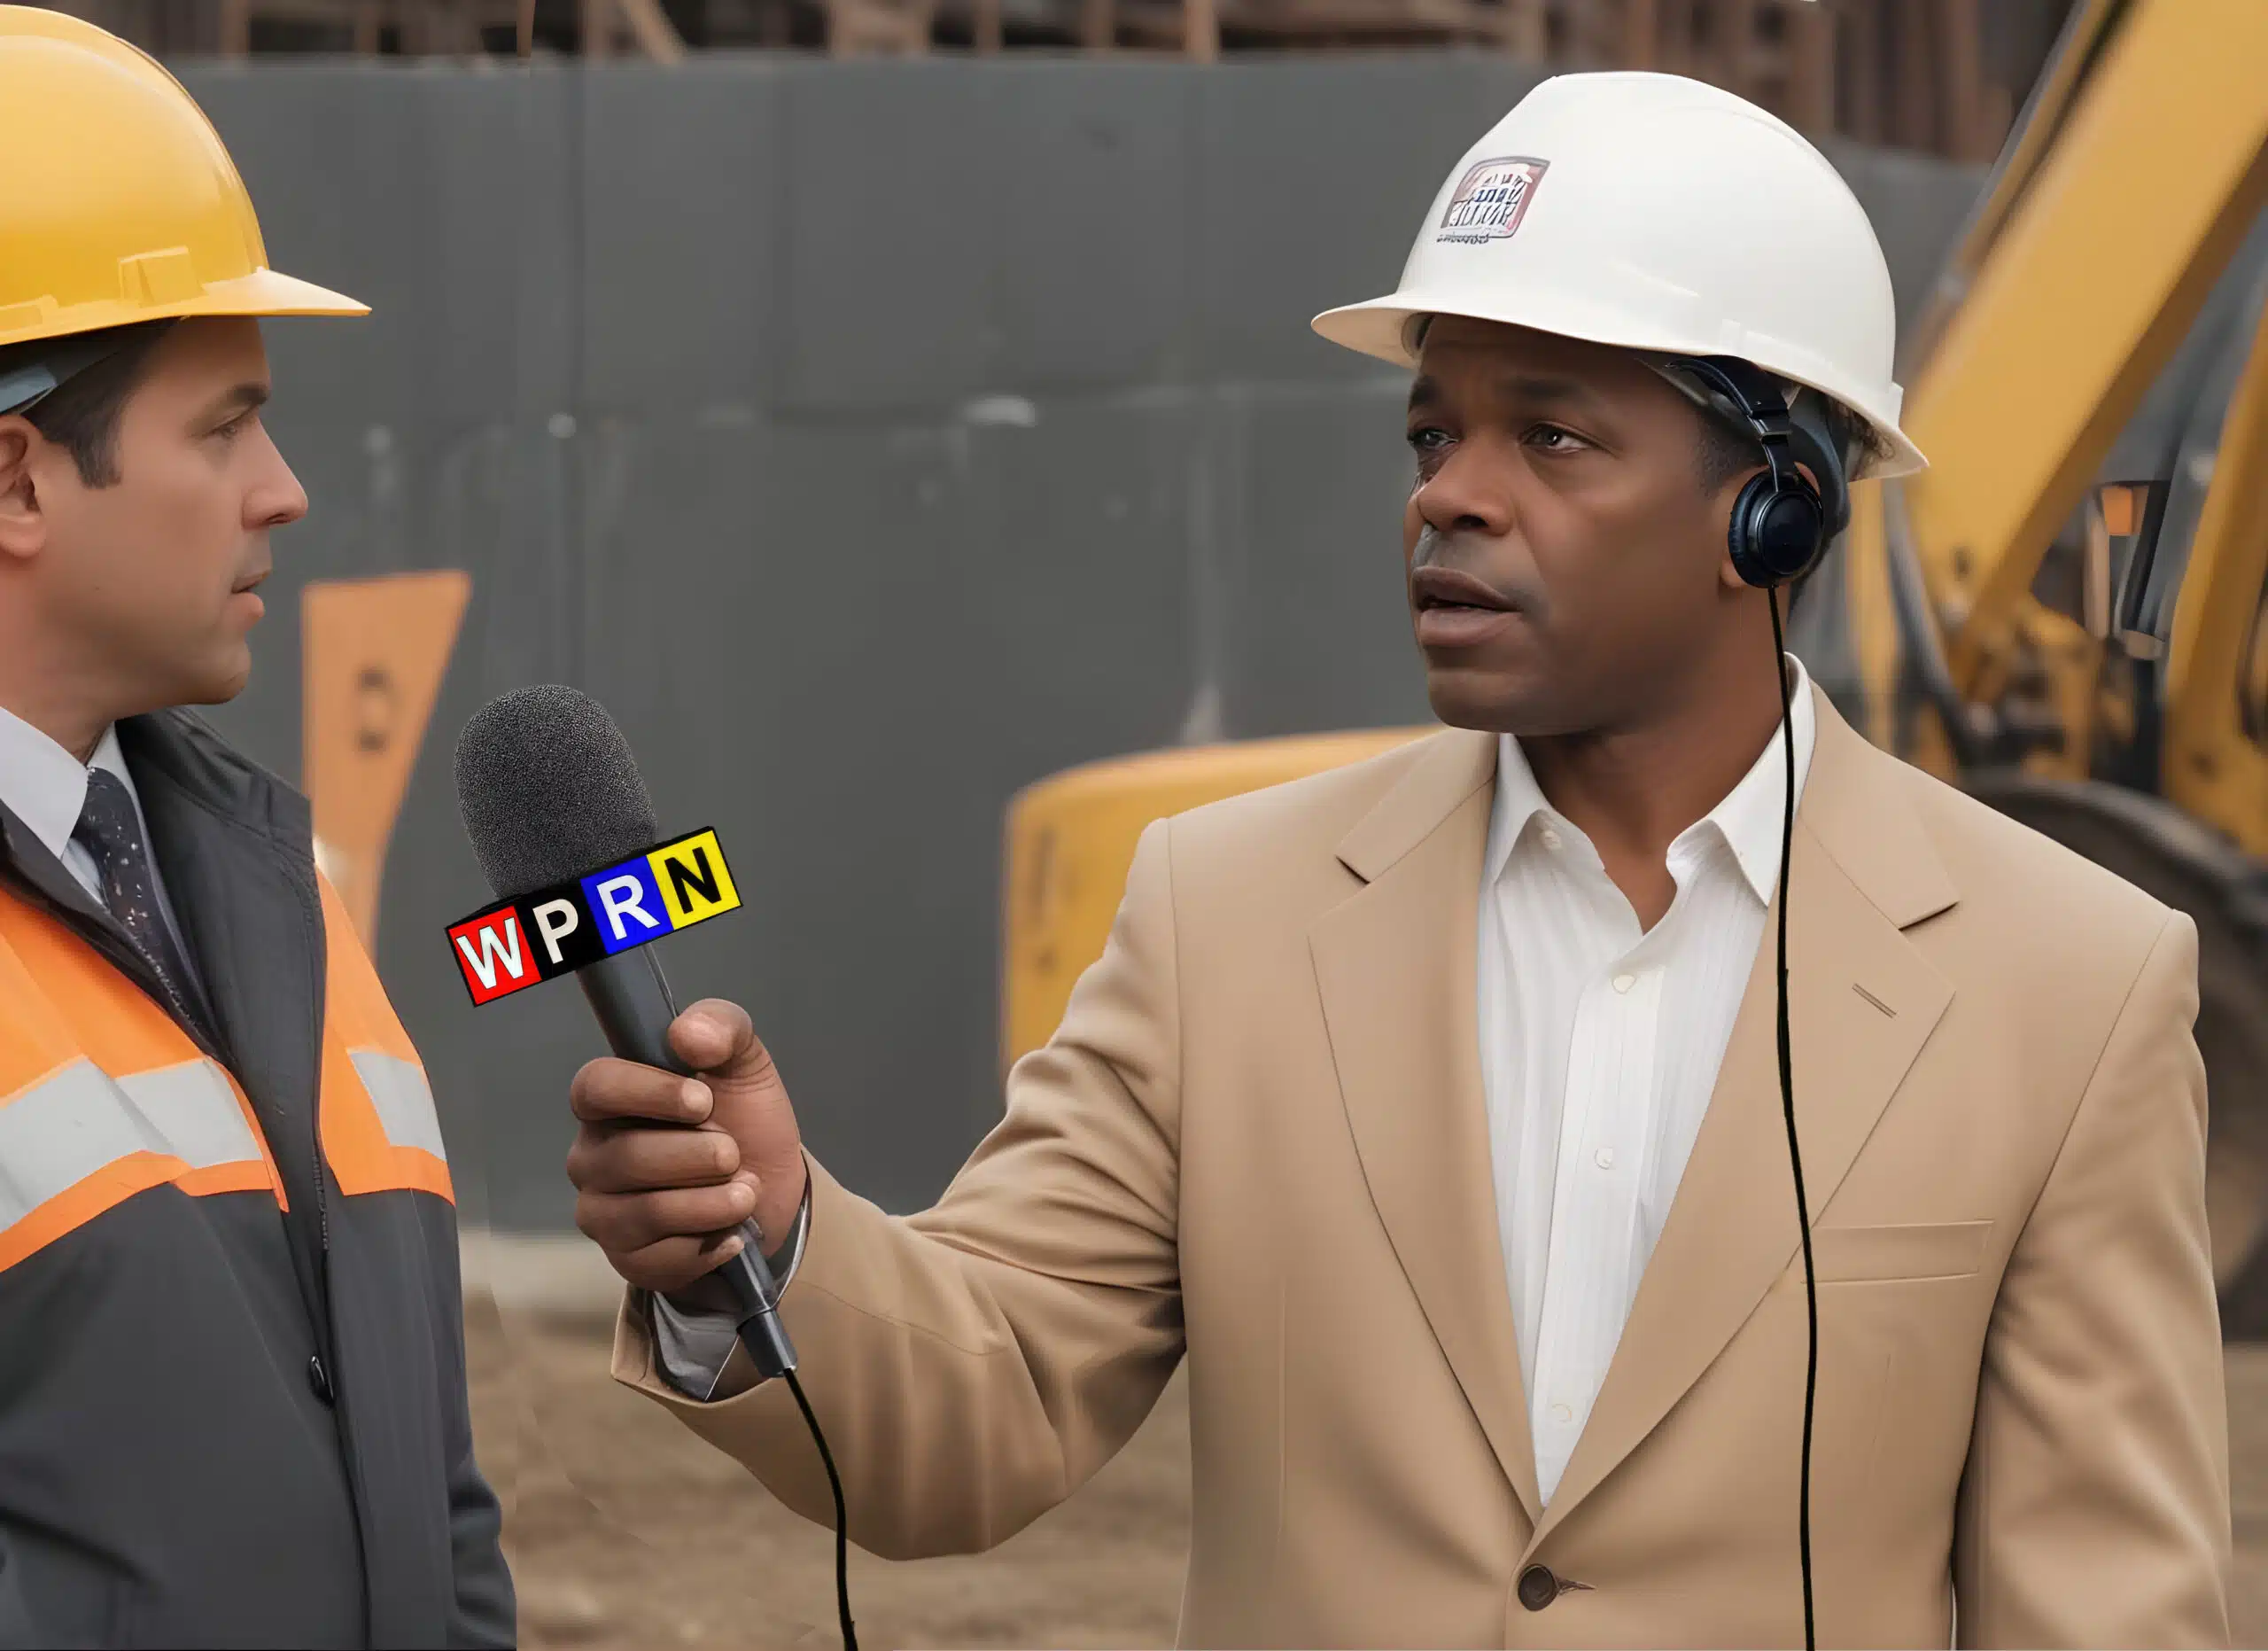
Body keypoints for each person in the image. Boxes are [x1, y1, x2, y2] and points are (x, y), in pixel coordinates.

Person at [566, 72, 2230, 1646]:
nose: (1452, 499)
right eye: (1434, 437)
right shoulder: (1220, 917)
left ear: (1773, 511)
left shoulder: (2071, 986)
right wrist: (770, 1238)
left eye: (1553, 438)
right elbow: (984, 1400)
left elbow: (2102, 1606)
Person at [0, 11, 512, 1647]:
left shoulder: (256, 884)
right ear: (15, 483)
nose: (282, 487)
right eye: (223, 427)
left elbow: (433, 1509)